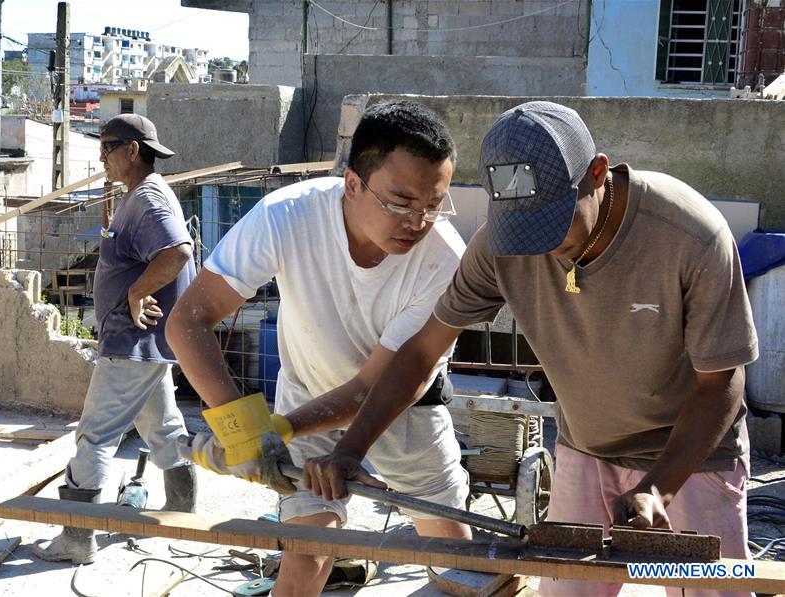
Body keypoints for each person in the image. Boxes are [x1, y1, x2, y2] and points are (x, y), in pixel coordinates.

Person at [305, 101, 758, 597]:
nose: (539, 248)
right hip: (587, 450)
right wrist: (351, 449)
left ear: (598, 174)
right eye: (524, 230)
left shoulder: (689, 234)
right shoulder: (499, 248)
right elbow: (420, 352)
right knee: (565, 590)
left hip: (692, 459)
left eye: (553, 224)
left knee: (713, 591)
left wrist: (658, 486)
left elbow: (722, 385)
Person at [166, 101, 472, 596]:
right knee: (306, 551)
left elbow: (375, 387)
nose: (418, 221)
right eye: (401, 202)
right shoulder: (288, 216)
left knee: (457, 556)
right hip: (307, 389)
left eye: (434, 205)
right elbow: (188, 320)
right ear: (353, 184)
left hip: (400, 408)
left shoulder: (446, 263)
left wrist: (276, 430)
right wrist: (242, 430)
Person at [33, 114, 199, 565]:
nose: (101, 156)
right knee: (163, 428)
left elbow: (177, 252)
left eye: (107, 147)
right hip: (145, 345)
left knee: (95, 436)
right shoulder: (137, 196)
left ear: (133, 150)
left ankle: (75, 538)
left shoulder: (146, 199)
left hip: (133, 344)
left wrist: (135, 291)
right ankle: (182, 510)